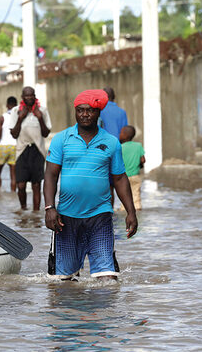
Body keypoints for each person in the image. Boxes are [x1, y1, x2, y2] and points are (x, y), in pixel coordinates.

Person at [44, 89, 138, 280]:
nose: (85, 114)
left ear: (98, 113)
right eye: (80, 110)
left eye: (90, 110)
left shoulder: (111, 142)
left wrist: (131, 211)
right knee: (64, 282)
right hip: (66, 219)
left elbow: (120, 178)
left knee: (107, 281)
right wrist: (49, 208)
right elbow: (51, 175)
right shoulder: (61, 139)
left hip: (100, 216)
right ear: (75, 112)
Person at [11, 86, 52, 210]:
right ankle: (23, 209)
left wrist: (39, 118)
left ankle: (35, 213)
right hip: (21, 151)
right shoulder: (16, 111)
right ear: (22, 98)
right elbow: (14, 134)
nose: (29, 98)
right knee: (21, 185)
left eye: (31, 95)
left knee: (36, 185)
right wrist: (20, 118)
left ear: (35, 97)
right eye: (26, 96)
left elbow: (46, 133)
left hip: (38, 151)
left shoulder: (42, 111)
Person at [0, 96, 19, 192]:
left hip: (3, 146)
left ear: (7, 105)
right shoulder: (19, 117)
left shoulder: (2, 117)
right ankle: (13, 193)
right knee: (13, 175)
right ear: (16, 105)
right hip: (15, 146)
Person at [119, 125, 145, 210]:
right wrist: (139, 165)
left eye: (121, 133)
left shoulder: (120, 147)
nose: (119, 134)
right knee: (136, 195)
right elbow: (143, 160)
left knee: (124, 196)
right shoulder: (138, 146)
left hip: (124, 177)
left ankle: (124, 209)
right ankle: (137, 208)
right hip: (135, 176)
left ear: (125, 135)